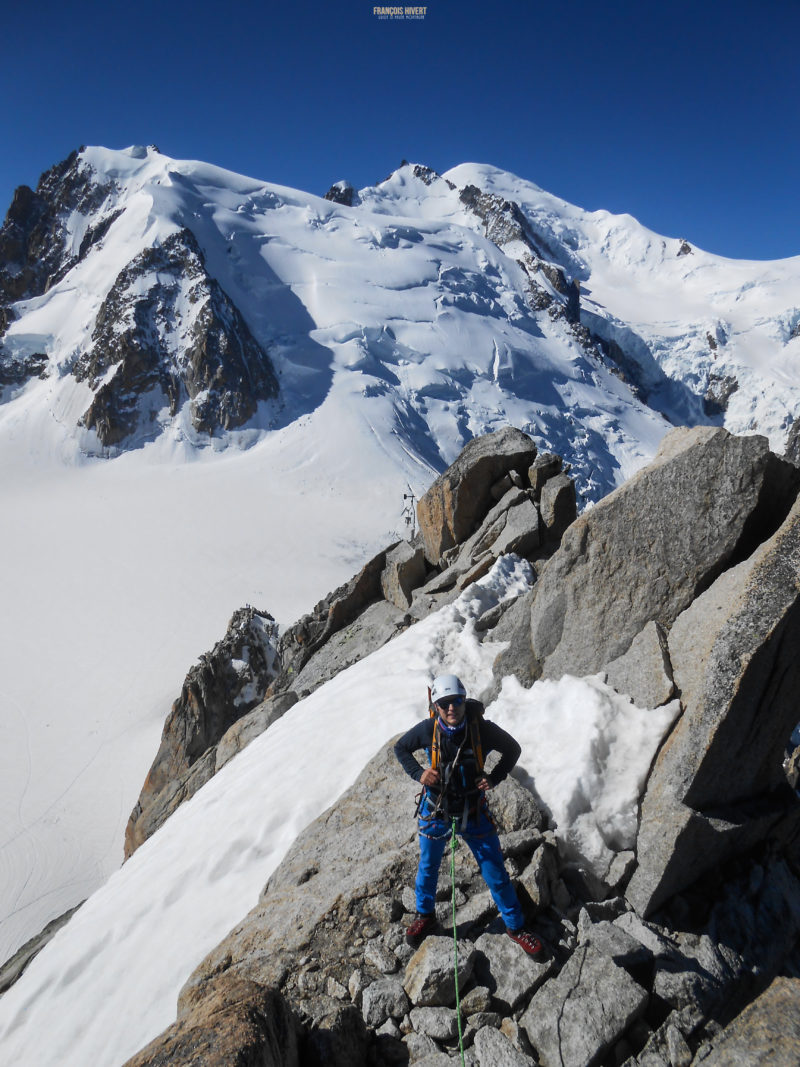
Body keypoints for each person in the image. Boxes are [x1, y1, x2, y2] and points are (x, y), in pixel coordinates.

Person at [394, 672, 542, 956]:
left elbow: (512, 749)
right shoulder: (428, 729)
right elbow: (400, 748)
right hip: (437, 809)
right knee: (428, 867)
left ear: (465, 700)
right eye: (445, 702)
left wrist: (496, 777)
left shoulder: (481, 729)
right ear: (436, 705)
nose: (452, 708)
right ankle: (424, 916)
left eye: (457, 701)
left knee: (495, 871)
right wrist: (418, 773)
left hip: (472, 810)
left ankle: (515, 925)